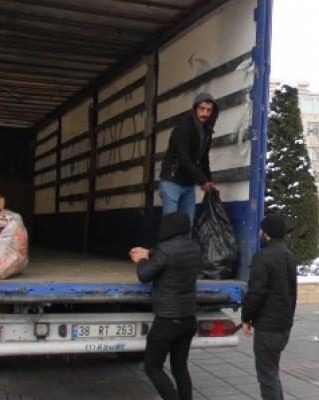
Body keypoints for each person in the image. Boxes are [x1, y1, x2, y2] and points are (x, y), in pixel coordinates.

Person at [129, 212, 202, 400]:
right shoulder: (194, 247)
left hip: (167, 320)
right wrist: (148, 251)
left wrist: (142, 260)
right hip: (188, 319)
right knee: (180, 368)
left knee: (152, 367)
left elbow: (144, 275)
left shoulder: (166, 249)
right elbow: (169, 252)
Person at [241, 215, 298, 400]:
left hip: (268, 326)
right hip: (283, 325)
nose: (259, 232)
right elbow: (293, 292)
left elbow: (255, 292)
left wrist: (245, 318)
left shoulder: (262, 256)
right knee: (272, 372)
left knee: (267, 377)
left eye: (261, 229)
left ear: (267, 233)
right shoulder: (289, 255)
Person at [158, 92, 220, 225]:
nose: (205, 113)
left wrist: (208, 179)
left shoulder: (206, 131)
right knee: (171, 225)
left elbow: (204, 157)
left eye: (209, 110)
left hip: (188, 184)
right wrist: (202, 180)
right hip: (172, 182)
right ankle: (169, 246)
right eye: (202, 109)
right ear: (195, 109)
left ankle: (185, 245)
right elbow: (183, 158)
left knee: (187, 224)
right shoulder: (183, 128)